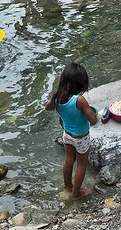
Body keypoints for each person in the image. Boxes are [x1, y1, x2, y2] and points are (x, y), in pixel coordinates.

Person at [44, 62, 97, 199]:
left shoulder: (57, 96)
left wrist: (53, 99)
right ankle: (76, 194)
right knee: (82, 164)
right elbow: (93, 120)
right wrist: (91, 112)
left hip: (67, 135)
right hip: (81, 137)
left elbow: (48, 108)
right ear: (81, 84)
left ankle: (67, 186)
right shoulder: (79, 100)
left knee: (68, 161)